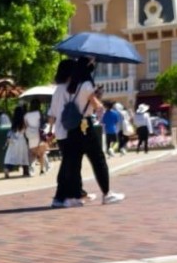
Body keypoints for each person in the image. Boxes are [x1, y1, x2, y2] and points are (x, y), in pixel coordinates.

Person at [48, 58, 124, 207]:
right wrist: (97, 100)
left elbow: (53, 113)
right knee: (97, 159)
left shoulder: (66, 87)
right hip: (84, 124)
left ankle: (70, 196)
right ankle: (106, 193)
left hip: (68, 129)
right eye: (91, 64)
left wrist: (49, 132)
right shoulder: (85, 85)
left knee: (71, 163)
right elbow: (97, 106)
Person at [2, 104, 31, 178]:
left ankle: (7, 169)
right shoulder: (24, 121)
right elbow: (27, 129)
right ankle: (26, 171)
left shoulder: (14, 121)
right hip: (21, 141)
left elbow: (11, 131)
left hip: (13, 141)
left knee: (11, 156)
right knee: (24, 156)